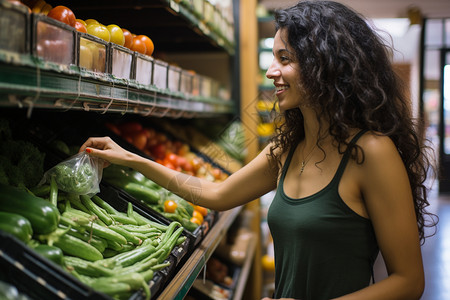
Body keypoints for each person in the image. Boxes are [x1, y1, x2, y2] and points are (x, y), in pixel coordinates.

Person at [80, 1, 437, 299]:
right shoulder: (286, 150)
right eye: (273, 57)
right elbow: (216, 193)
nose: (271, 71)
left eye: (285, 58)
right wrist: (130, 158)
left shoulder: (372, 152)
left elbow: (408, 282)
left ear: (324, 65)